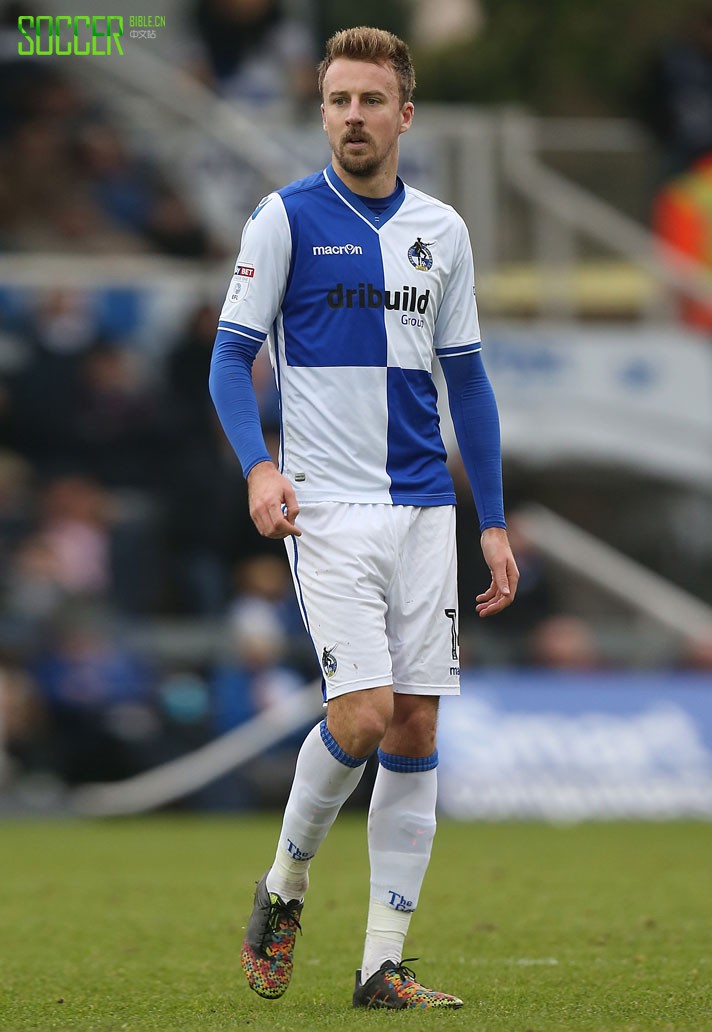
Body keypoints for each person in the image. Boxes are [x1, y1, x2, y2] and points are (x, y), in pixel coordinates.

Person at [209, 25, 518, 1011]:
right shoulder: (285, 219)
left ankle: (380, 964)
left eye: (369, 100)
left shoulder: (442, 231)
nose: (352, 115)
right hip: (330, 513)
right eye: (337, 99)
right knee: (364, 715)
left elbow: (467, 382)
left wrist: (493, 520)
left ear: (403, 115)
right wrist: (259, 468)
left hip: (426, 508)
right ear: (323, 110)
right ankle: (285, 884)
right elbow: (227, 361)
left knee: (417, 725)